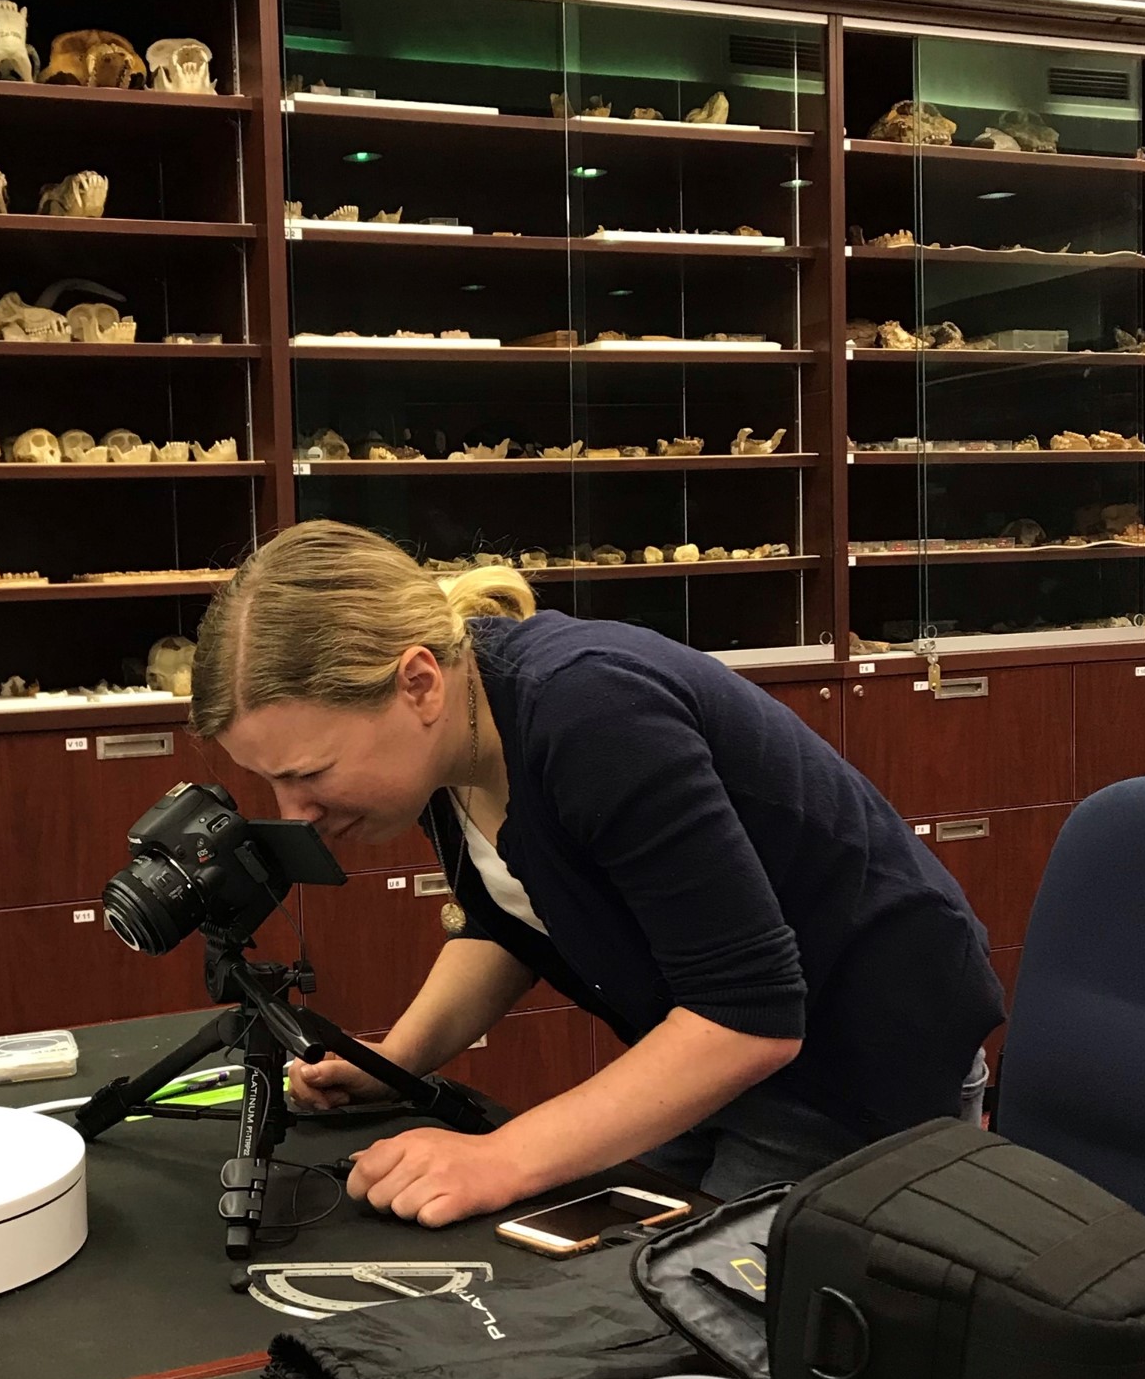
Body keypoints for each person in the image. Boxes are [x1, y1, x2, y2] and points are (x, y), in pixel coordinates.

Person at [193, 522, 1003, 1225]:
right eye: (271, 781)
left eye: (311, 772)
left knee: (693, 1318)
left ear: (418, 684)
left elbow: (751, 1013)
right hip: (722, 1054)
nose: (292, 810)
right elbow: (509, 916)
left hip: (855, 1059)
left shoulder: (589, 713)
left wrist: (501, 1158)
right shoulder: (453, 748)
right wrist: (397, 1059)